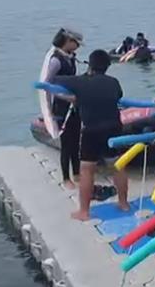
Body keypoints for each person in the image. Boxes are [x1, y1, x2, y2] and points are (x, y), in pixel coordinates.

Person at [51, 49, 129, 221]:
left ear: (90, 65)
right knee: (118, 166)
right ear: (107, 66)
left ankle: (84, 212)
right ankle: (123, 204)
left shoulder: (81, 82)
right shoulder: (114, 82)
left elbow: (55, 79)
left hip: (91, 130)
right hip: (114, 128)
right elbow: (118, 96)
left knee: (87, 169)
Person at [44, 28, 83, 189]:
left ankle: (77, 172)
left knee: (75, 140)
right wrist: (66, 98)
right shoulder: (56, 61)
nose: (78, 46)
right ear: (67, 42)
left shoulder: (71, 59)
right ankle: (66, 177)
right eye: (76, 42)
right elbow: (47, 85)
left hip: (75, 106)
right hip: (62, 107)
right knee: (66, 143)